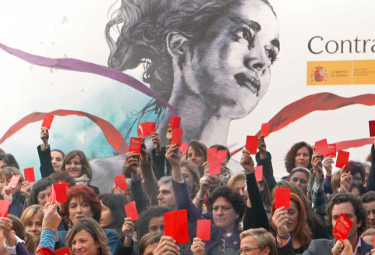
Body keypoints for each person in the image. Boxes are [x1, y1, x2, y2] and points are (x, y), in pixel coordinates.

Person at [105, 0, 280, 146]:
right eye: (245, 34)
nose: (262, 61)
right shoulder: (103, 175)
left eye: (271, 53)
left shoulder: (255, 185)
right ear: (179, 45)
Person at [58, 186, 119, 254]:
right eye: (73, 206)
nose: (79, 210)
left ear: (93, 210)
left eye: (84, 205)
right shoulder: (61, 238)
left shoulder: (107, 235)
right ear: (67, 213)